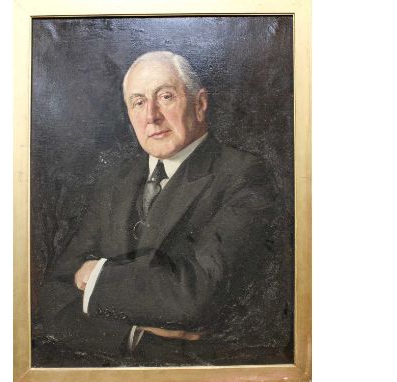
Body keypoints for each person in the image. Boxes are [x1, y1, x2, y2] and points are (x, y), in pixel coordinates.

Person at [38, 51, 280, 366]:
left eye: (165, 97)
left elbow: (194, 297)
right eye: (138, 102)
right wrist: (135, 335)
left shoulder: (244, 175)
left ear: (200, 103)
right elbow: (53, 297)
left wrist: (96, 275)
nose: (151, 115)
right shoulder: (116, 182)